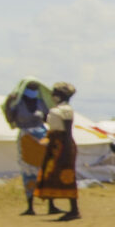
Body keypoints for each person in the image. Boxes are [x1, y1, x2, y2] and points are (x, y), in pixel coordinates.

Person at [2, 77, 52, 215]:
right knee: (28, 171)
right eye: (31, 88)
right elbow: (10, 119)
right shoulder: (17, 105)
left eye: (35, 89)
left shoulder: (41, 103)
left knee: (46, 170)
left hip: (42, 137)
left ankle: (51, 204)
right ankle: (30, 206)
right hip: (26, 139)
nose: (33, 91)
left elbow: (49, 118)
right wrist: (8, 103)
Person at [36, 82, 82, 220]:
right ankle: (51, 205)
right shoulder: (56, 109)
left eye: (55, 93)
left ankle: (74, 210)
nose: (52, 95)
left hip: (63, 145)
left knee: (66, 175)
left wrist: (66, 151)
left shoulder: (66, 110)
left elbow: (67, 132)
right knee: (49, 173)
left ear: (61, 95)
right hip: (54, 144)